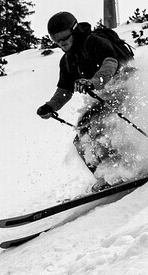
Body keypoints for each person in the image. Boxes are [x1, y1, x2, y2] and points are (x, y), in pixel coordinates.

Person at [36, 11, 134, 174]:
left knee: (105, 128)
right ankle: (106, 175)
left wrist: (94, 82)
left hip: (126, 84)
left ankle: (127, 167)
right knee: (82, 136)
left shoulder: (95, 42)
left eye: (64, 37)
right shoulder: (68, 60)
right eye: (56, 40)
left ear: (74, 30)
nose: (61, 43)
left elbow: (111, 63)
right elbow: (65, 90)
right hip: (106, 94)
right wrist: (51, 106)